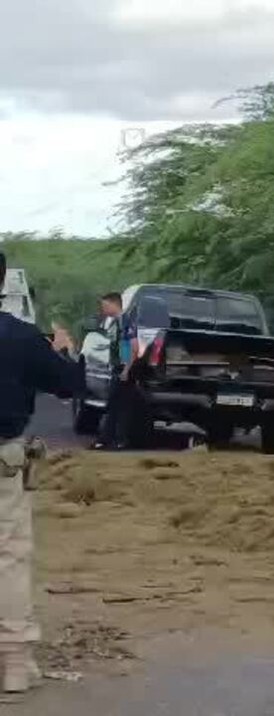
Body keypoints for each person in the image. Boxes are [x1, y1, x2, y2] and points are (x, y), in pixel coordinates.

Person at [0, 250, 83, 693]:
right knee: (8, 558)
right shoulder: (20, 336)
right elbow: (69, 385)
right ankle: (12, 663)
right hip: (3, 461)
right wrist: (66, 352)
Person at [91, 293, 139, 451]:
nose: (103, 309)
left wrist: (126, 369)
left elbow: (133, 346)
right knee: (115, 406)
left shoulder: (125, 321)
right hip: (117, 368)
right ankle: (109, 440)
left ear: (114, 304)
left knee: (119, 406)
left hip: (124, 369)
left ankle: (116, 440)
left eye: (105, 306)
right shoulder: (115, 323)